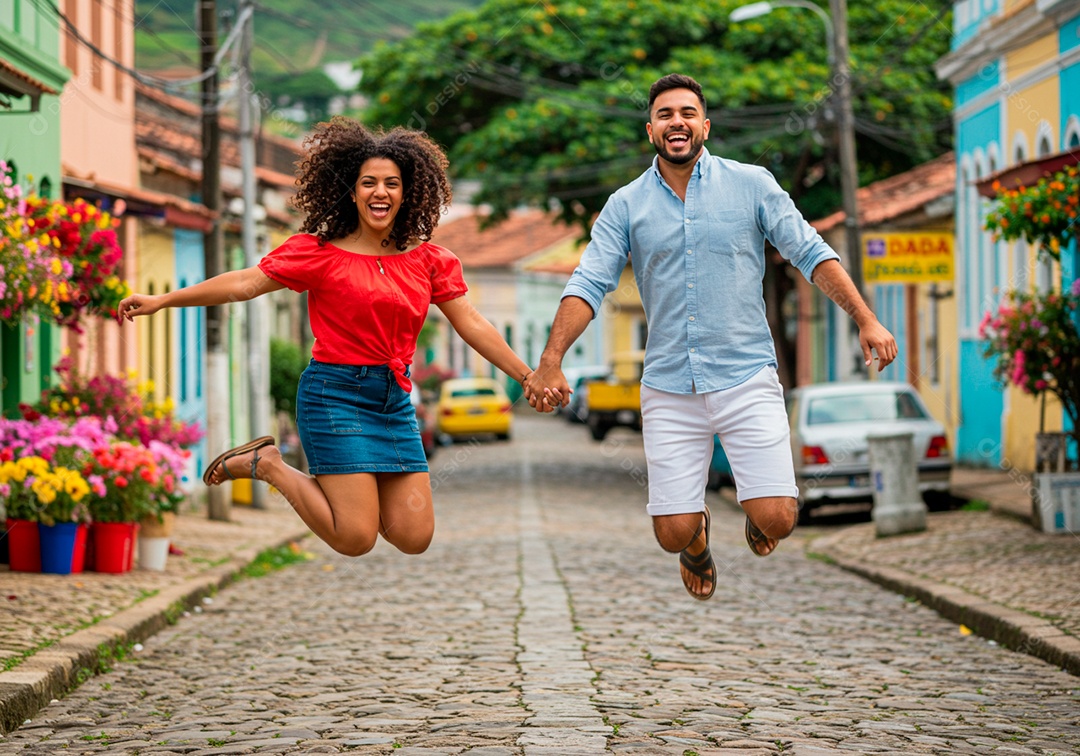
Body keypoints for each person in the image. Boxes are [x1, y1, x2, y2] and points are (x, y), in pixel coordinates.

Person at [523, 74, 897, 601]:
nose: (677, 122)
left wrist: (866, 318)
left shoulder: (753, 184)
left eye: (687, 113)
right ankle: (696, 538)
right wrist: (551, 360)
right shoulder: (625, 205)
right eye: (665, 114)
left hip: (746, 375)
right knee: (669, 532)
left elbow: (810, 251)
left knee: (779, 519)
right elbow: (589, 282)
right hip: (670, 385)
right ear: (650, 128)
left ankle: (755, 509)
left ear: (705, 125)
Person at [117, 118, 534, 558]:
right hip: (335, 396)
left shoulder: (432, 260)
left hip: (394, 399)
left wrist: (526, 376)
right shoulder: (318, 253)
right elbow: (245, 283)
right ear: (350, 192)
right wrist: (165, 300)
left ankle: (279, 467)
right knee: (355, 538)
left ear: (407, 192)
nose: (380, 192)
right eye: (368, 182)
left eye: (392, 183)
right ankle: (270, 465)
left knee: (413, 535)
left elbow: (471, 322)